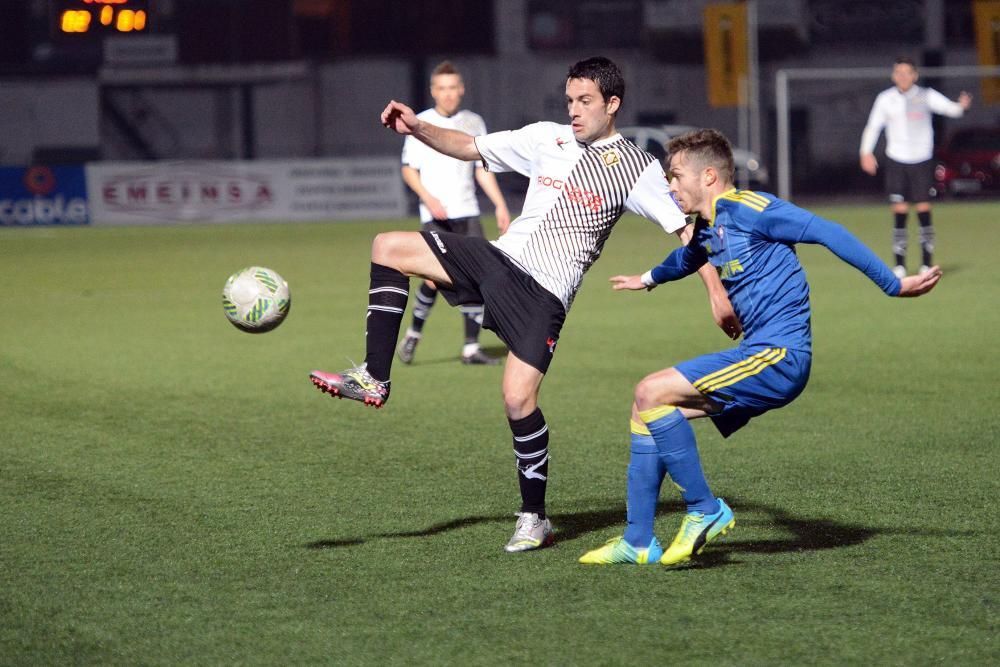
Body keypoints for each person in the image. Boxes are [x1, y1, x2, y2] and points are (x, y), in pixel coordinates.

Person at [309, 57, 739, 553]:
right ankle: (374, 376)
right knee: (387, 246)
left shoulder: (635, 167)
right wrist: (417, 126)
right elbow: (469, 146)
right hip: (498, 260)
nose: (574, 111)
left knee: (517, 400)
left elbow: (687, 230)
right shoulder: (545, 138)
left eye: (585, 102)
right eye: (570, 101)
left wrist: (714, 289)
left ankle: (534, 517)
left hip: (544, 295)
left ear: (612, 104)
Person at [579, 128, 941, 566]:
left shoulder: (753, 208)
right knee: (648, 410)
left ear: (708, 177)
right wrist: (649, 278)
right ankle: (638, 541)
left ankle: (704, 510)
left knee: (650, 390)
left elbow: (829, 230)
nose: (670, 186)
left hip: (780, 356)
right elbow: (687, 258)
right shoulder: (708, 226)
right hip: (761, 354)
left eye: (675, 176)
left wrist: (892, 284)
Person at [396, 61, 510, 366]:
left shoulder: (474, 122)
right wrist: (428, 198)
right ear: (434, 91)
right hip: (435, 214)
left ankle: (471, 348)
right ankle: (414, 335)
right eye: (441, 88)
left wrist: (499, 204)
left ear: (461, 89)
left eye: (452, 88)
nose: (448, 94)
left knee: (476, 277)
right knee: (435, 280)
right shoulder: (420, 122)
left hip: (467, 211)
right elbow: (409, 170)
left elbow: (481, 169)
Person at [859, 56, 971, 279]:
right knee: (899, 211)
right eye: (898, 72)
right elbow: (873, 126)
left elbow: (950, 109)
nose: (902, 77)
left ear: (915, 75)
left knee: (923, 209)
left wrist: (961, 106)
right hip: (896, 160)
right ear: (893, 76)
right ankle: (899, 265)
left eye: (906, 72)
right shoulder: (885, 99)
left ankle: (926, 263)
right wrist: (865, 152)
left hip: (921, 160)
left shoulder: (926, 95)